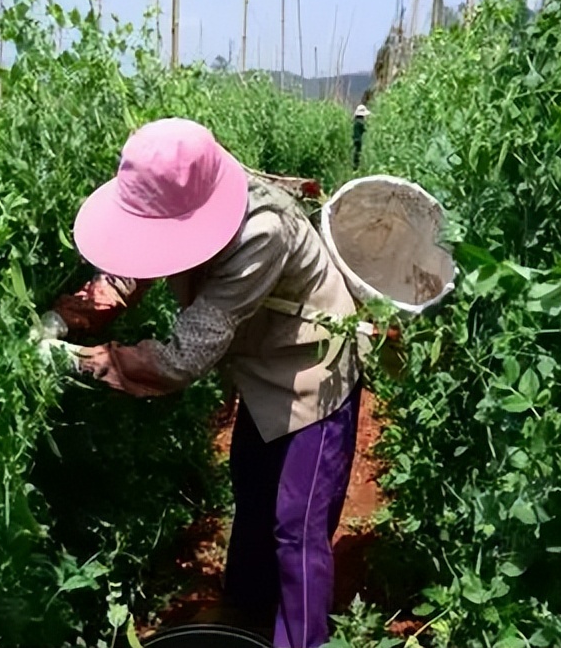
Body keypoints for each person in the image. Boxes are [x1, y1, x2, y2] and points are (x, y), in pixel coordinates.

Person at [41, 118, 366, 648]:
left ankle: (300, 639)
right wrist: (70, 315)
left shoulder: (262, 230)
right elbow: (134, 260)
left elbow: (183, 357)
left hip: (313, 367)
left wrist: (77, 361)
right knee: (254, 483)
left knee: (296, 522)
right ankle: (247, 610)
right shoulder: (187, 190)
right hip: (259, 363)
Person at [352, 104, 370, 169]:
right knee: (357, 154)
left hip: (355, 140)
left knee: (356, 153)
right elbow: (365, 130)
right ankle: (356, 167)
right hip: (358, 140)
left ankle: (355, 167)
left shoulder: (356, 122)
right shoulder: (359, 123)